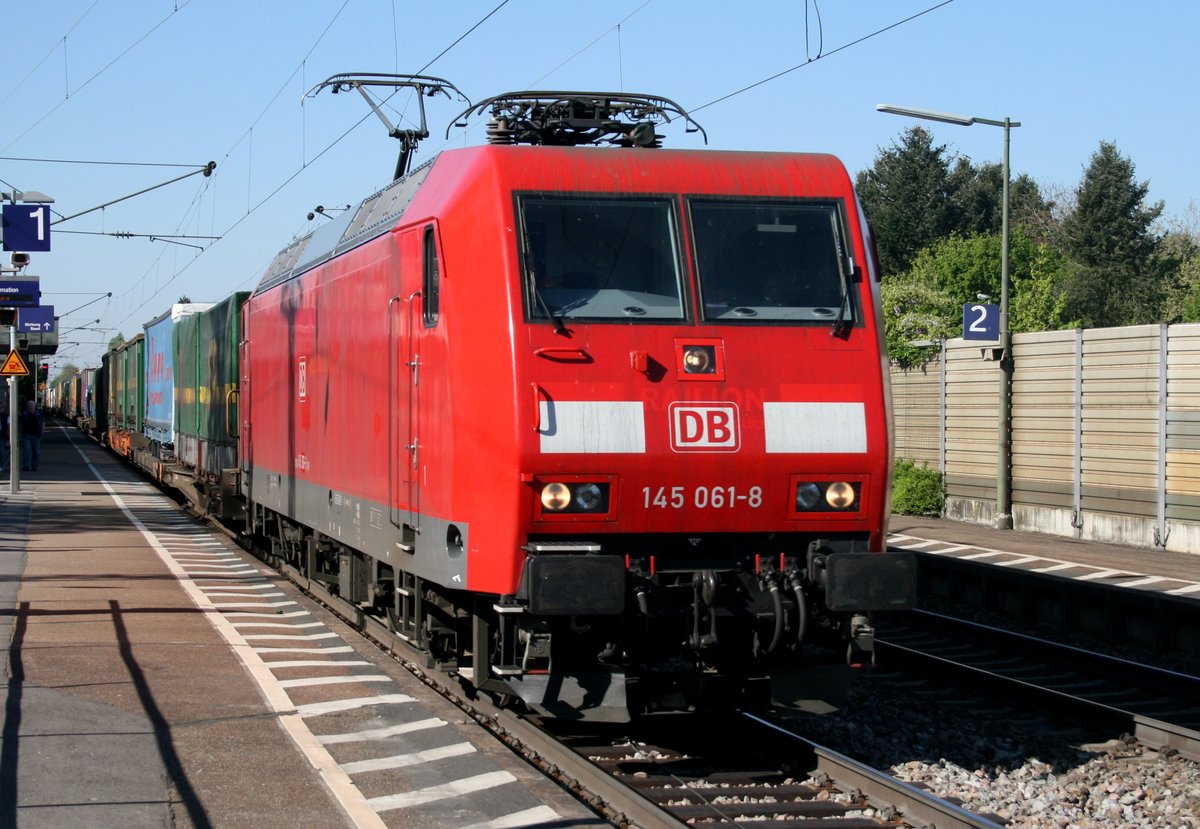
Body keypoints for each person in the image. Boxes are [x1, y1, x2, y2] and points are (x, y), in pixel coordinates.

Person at [19, 399, 43, 472]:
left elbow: (43, 422)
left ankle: (34, 466)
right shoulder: (24, 414)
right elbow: (20, 423)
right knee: (27, 450)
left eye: (32, 405)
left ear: (35, 406)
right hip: (26, 435)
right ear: (27, 406)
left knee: (36, 452)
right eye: (29, 405)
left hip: (36, 435)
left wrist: (42, 431)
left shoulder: (39, 414)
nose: (31, 407)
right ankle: (26, 465)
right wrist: (21, 432)